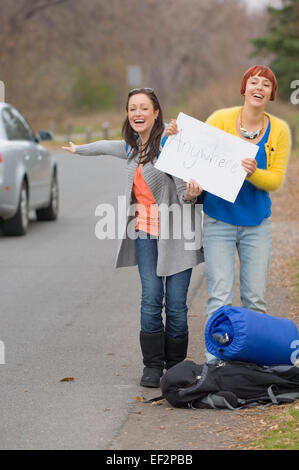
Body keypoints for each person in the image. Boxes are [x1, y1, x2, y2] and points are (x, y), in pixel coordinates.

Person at [62, 88, 204, 386]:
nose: (137, 113)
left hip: (178, 234)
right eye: (132, 109)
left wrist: (192, 195)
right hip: (144, 233)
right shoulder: (130, 148)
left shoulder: (170, 144)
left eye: (143, 108)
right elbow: (105, 146)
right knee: (151, 299)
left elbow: (184, 193)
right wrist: (79, 149)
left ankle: (176, 366)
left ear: (156, 112)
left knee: (176, 303)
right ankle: (152, 366)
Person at [166, 65, 291, 362]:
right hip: (219, 221)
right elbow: (193, 156)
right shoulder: (220, 119)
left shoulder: (280, 130)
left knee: (255, 299)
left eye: (266, 84)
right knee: (219, 296)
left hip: (256, 225)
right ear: (244, 88)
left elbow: (275, 179)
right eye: (253, 82)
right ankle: (216, 362)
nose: (258, 88)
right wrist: (173, 136)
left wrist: (253, 173)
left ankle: (252, 362)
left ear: (272, 93)